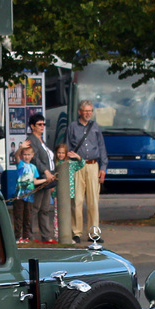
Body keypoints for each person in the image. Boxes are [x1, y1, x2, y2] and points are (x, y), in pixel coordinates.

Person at [66, 100, 108, 243]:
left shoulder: (95, 126)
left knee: (93, 201)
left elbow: (102, 147)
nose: (88, 113)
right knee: (77, 200)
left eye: (90, 111)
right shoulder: (72, 127)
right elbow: (67, 147)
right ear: (80, 112)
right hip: (78, 166)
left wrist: (103, 168)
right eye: (85, 111)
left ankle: (94, 233)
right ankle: (76, 232)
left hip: (92, 165)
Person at [26, 113, 57, 242]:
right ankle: (30, 235)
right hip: (39, 177)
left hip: (48, 177)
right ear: (32, 126)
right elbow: (34, 158)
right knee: (35, 208)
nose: (42, 127)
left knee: (45, 208)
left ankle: (46, 235)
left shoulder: (41, 140)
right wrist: (45, 171)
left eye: (44, 124)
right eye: (39, 124)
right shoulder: (31, 140)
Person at [11, 142, 45, 244]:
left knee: (28, 217)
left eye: (28, 154)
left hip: (30, 196)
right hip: (19, 195)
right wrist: (20, 147)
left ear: (32, 155)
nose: (26, 157)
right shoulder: (21, 164)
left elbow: (34, 181)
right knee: (19, 216)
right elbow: (16, 155)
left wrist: (45, 180)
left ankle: (26, 237)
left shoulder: (33, 167)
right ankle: (18, 236)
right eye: (25, 154)